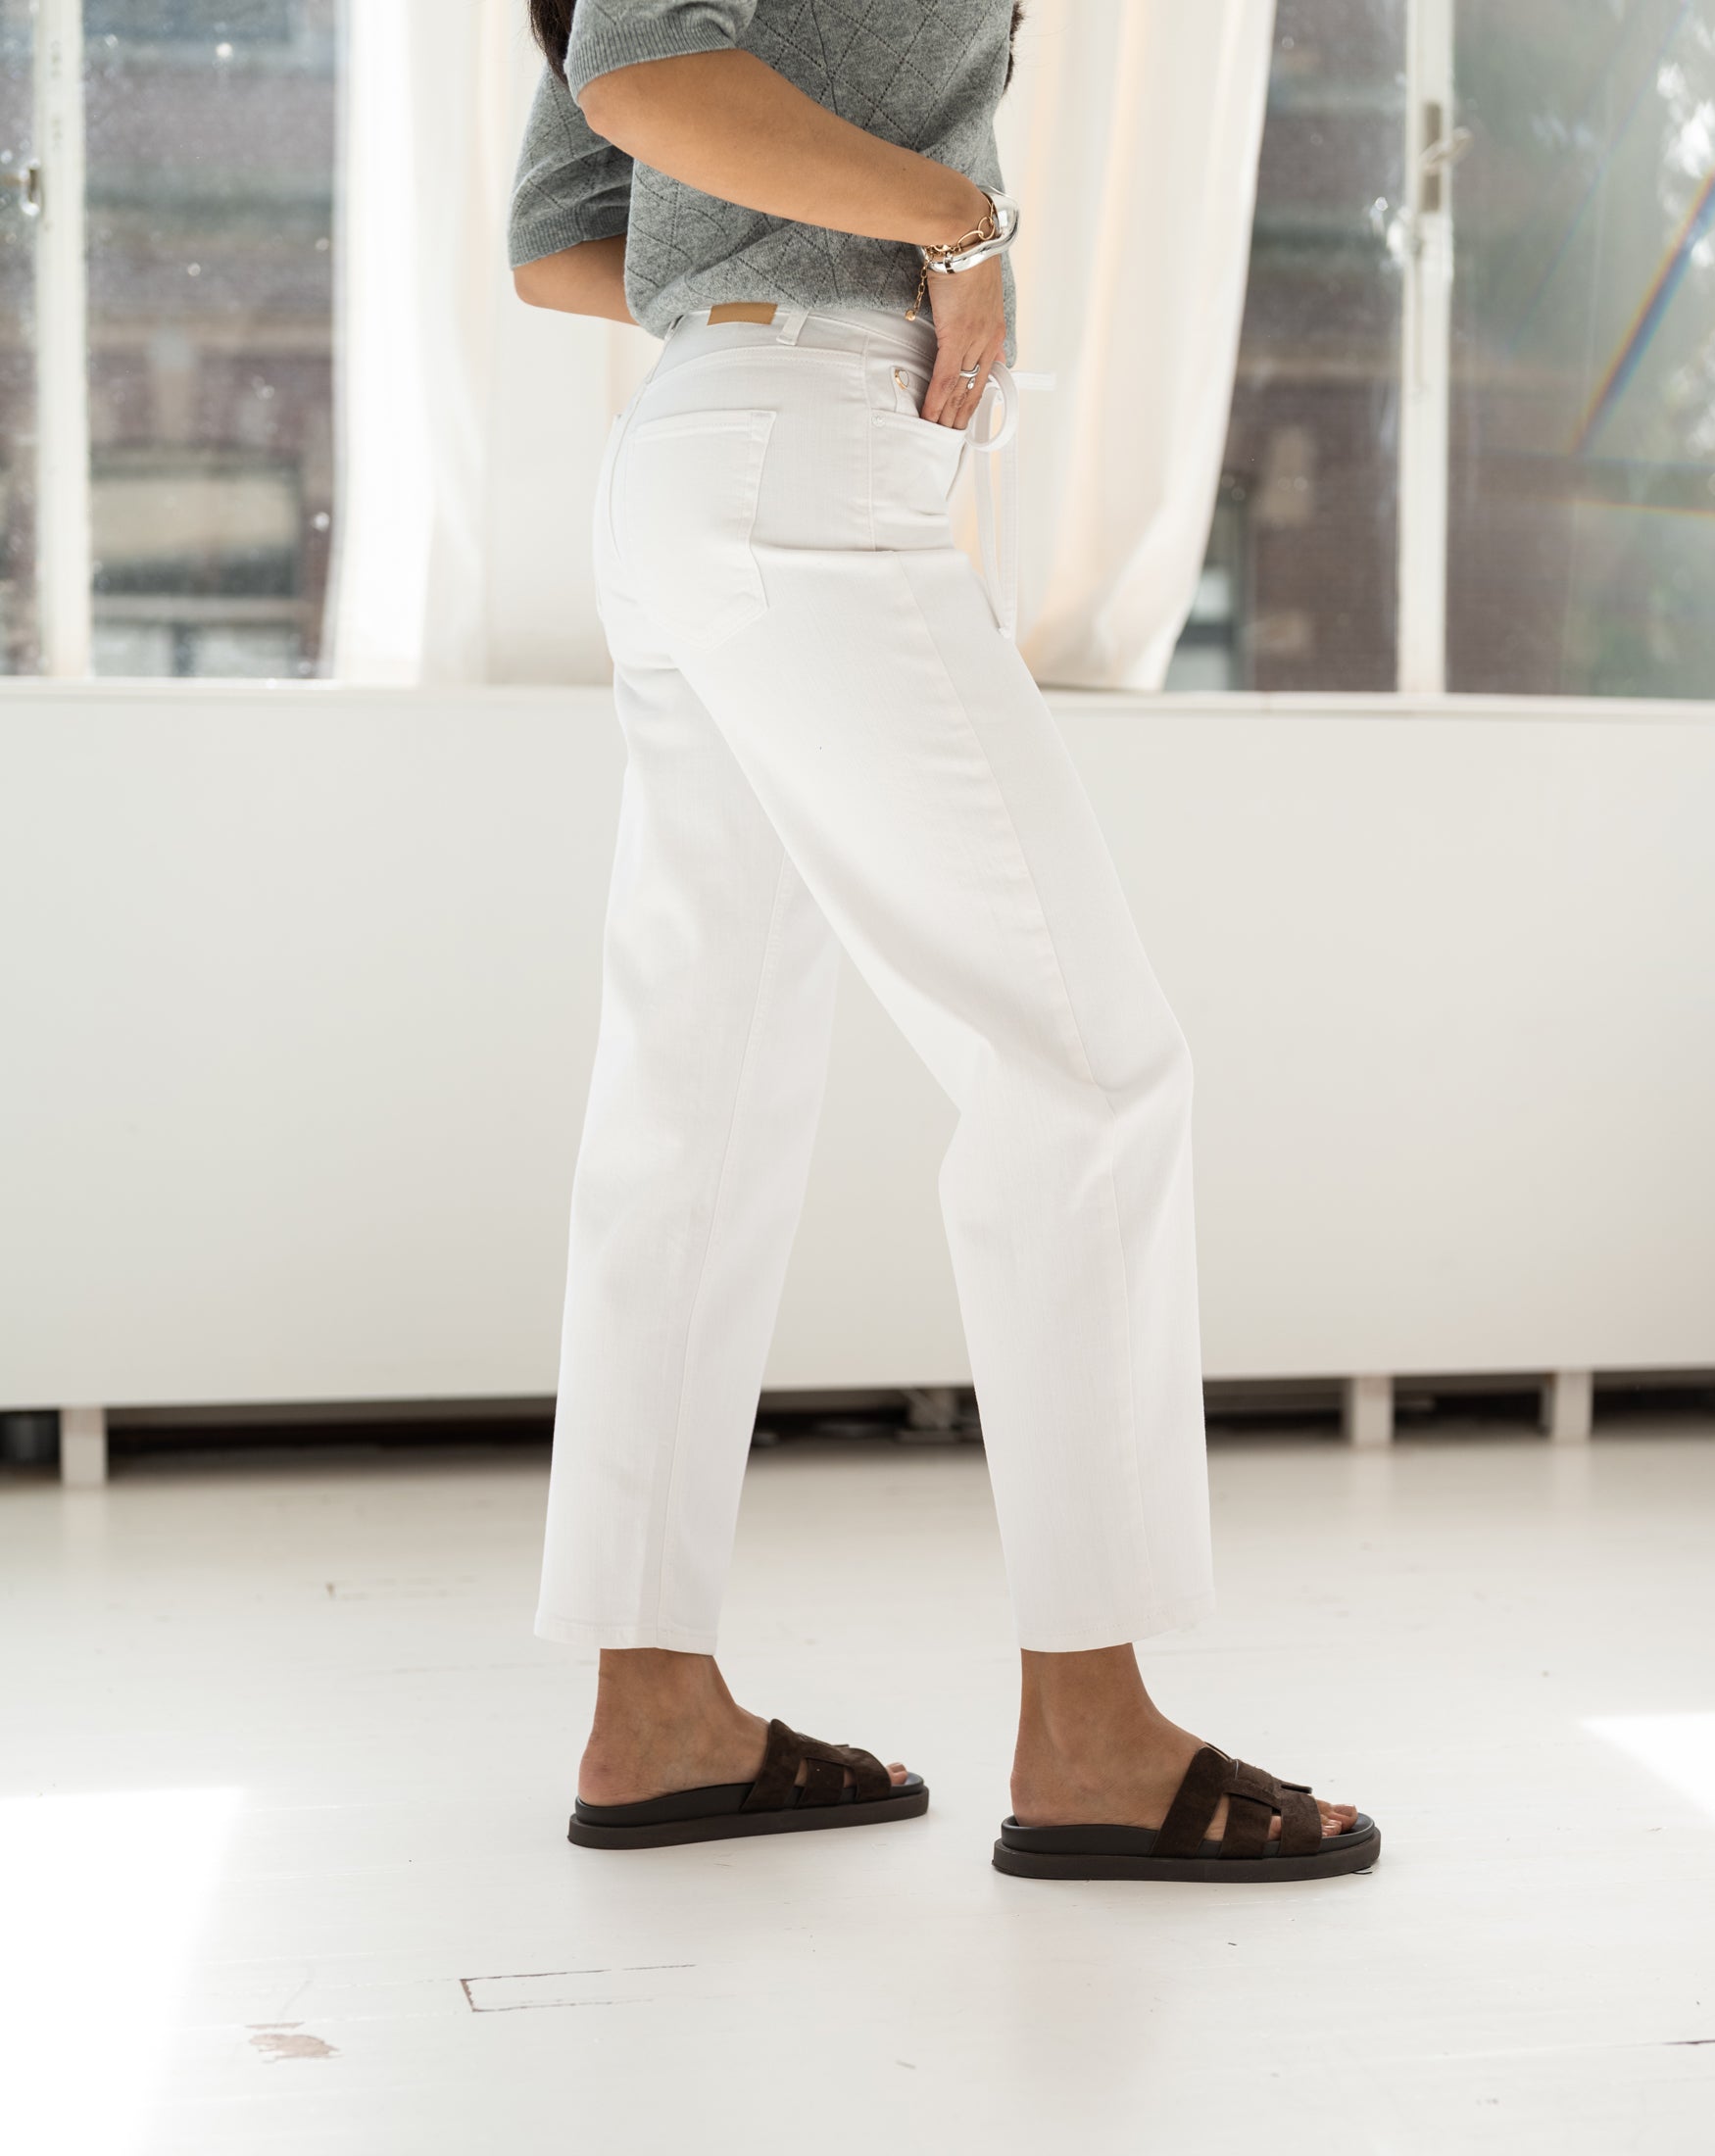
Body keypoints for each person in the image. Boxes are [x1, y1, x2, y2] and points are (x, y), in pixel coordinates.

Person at [506, 0, 1377, 1884]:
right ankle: (1096, 1736)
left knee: (695, 1109)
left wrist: (773, 283)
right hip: (800, 470)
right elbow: (643, 83)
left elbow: (564, 236)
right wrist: (949, 230)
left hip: (704, 459)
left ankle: (653, 1709)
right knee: (1082, 1071)